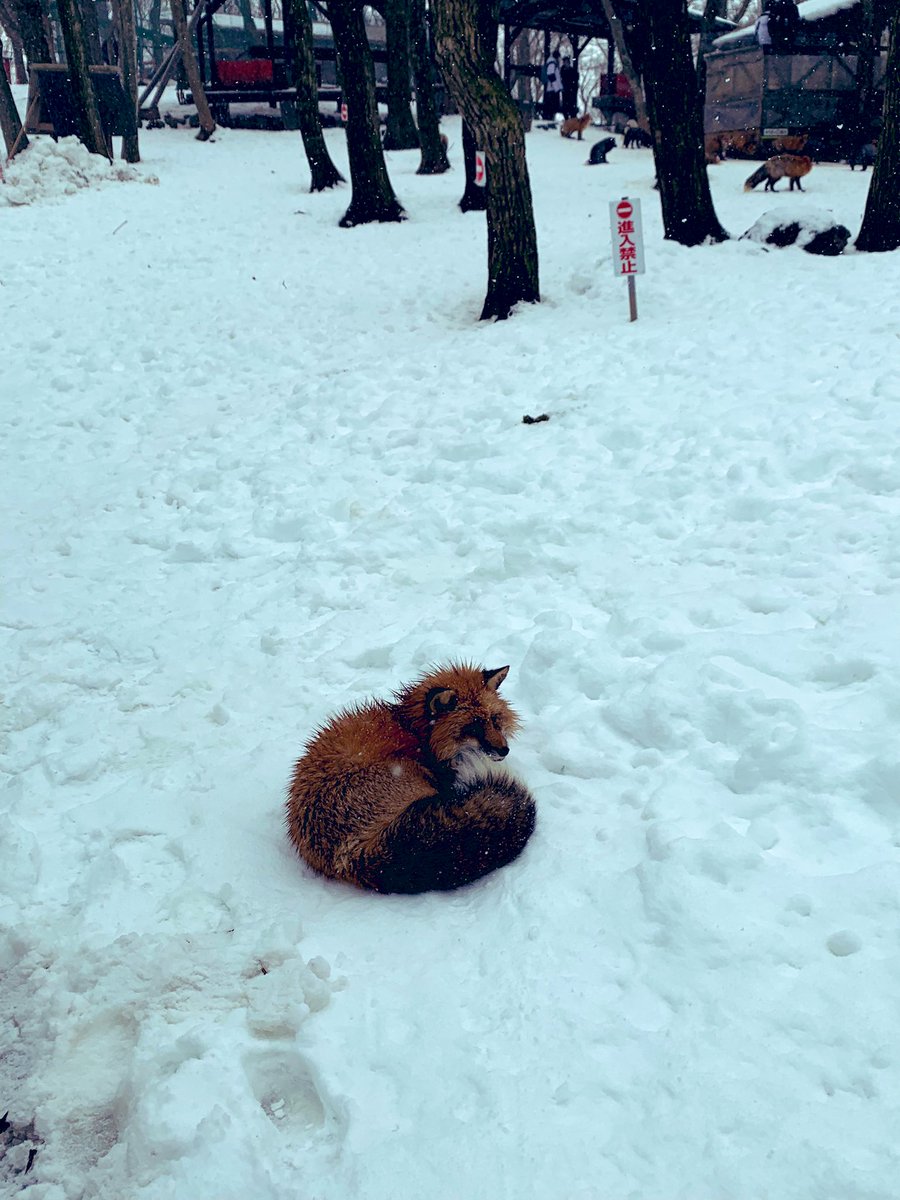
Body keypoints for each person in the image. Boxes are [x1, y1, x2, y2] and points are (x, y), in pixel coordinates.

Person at [542, 50, 562, 120]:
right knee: (551, 106)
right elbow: (551, 75)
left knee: (551, 106)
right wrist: (556, 87)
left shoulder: (551, 62)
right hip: (552, 88)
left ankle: (549, 118)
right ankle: (549, 119)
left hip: (551, 88)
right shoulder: (552, 63)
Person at [560, 55, 579, 121]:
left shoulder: (572, 71)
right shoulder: (562, 70)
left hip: (571, 91)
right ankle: (566, 118)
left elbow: (576, 79)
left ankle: (572, 118)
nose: (565, 63)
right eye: (564, 62)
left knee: (571, 105)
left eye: (566, 62)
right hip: (565, 90)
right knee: (565, 105)